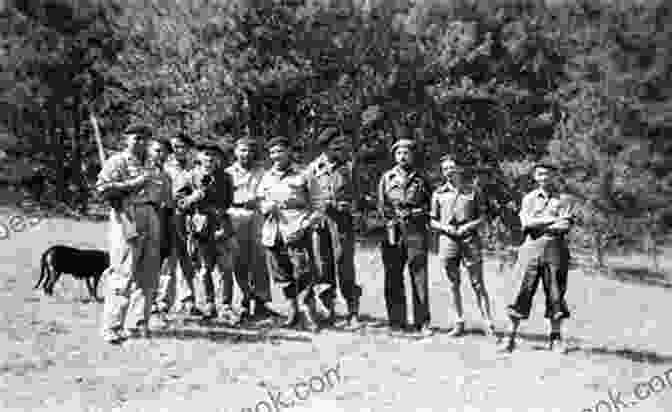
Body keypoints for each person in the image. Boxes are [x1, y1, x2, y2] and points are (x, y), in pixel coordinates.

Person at [499, 162, 576, 354]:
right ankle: (510, 337)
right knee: (521, 291)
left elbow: (565, 226)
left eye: (548, 174)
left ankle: (555, 339)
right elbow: (525, 223)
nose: (544, 178)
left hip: (555, 250)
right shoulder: (528, 199)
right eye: (540, 174)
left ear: (554, 176)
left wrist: (539, 223)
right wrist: (551, 220)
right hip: (531, 250)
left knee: (555, 294)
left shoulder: (564, 199)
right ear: (535, 177)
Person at [96, 123, 163, 344]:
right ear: (127, 139)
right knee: (123, 272)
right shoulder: (117, 161)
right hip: (127, 215)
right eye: (136, 138)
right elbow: (103, 190)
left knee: (148, 273)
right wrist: (134, 184)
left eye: (145, 138)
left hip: (151, 215)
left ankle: (138, 324)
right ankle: (112, 326)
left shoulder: (154, 163)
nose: (141, 142)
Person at [257, 136, 320, 332]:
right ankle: (292, 312)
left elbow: (318, 204)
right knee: (281, 273)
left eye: (280, 151)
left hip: (296, 228)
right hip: (273, 231)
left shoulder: (304, 173)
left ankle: (308, 313)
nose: (276, 156)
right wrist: (266, 206)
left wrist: (306, 224)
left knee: (303, 271)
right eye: (273, 152)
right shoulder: (267, 176)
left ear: (289, 152)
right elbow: (260, 200)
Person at [430, 155, 495, 339]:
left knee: (478, 283)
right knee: (453, 284)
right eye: (445, 169)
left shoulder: (473, 192)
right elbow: (433, 221)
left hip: (469, 241)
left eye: (452, 167)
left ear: (459, 170)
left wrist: (468, 226)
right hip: (448, 242)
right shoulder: (438, 194)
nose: (449, 172)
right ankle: (458, 322)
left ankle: (488, 323)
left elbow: (483, 217)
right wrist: (446, 227)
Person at [305, 127, 362, 329]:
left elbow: (357, 196)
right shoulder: (312, 168)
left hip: (342, 221)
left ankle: (352, 312)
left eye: (341, 144)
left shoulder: (349, 166)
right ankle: (328, 309)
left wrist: (349, 207)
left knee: (344, 263)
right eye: (335, 145)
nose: (340, 148)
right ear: (325, 147)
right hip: (320, 222)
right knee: (322, 264)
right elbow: (307, 197)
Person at [176, 140, 237, 322]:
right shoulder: (189, 176)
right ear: (198, 156)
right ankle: (209, 304)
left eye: (213, 154)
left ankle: (226, 305)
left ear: (218, 158)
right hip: (200, 227)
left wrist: (220, 219)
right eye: (205, 154)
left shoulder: (225, 177)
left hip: (221, 225)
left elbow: (228, 202)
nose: (209, 157)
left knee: (226, 268)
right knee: (204, 269)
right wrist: (193, 198)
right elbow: (179, 203)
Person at [377, 138, 432, 336]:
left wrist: (416, 212)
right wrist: (390, 219)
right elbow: (381, 205)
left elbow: (430, 207)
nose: (402, 157)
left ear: (412, 156)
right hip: (393, 232)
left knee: (419, 276)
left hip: (416, 231)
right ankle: (396, 322)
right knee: (392, 276)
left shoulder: (421, 179)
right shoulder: (387, 178)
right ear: (394, 156)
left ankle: (422, 322)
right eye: (399, 153)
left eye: (406, 153)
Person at [225, 136, 277, 322]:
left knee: (260, 259)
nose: (246, 154)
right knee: (238, 259)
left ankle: (262, 302)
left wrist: (259, 202)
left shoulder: (262, 172)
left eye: (249, 150)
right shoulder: (227, 173)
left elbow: (270, 194)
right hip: (234, 216)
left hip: (256, 216)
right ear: (235, 152)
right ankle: (243, 302)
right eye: (242, 150)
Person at [158, 132, 200, 317]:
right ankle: (163, 301)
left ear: (189, 149)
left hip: (190, 217)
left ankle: (188, 300)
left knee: (189, 259)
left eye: (181, 147)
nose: (177, 150)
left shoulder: (195, 169)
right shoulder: (165, 168)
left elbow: (203, 190)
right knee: (168, 260)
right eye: (174, 147)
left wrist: (191, 199)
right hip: (169, 216)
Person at [146, 138, 174, 322]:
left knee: (160, 265)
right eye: (157, 150)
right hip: (144, 221)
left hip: (163, 221)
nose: (160, 155)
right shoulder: (142, 171)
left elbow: (168, 202)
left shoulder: (166, 175)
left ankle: (156, 307)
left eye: (164, 151)